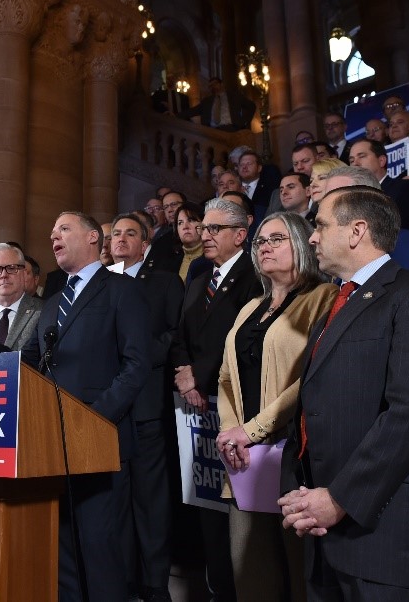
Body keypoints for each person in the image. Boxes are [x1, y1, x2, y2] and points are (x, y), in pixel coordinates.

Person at [0, 211, 150, 602]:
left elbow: (136, 366)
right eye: (52, 231)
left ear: (93, 238)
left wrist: (92, 420)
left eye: (64, 228)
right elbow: (29, 364)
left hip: (100, 441)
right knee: (63, 552)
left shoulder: (122, 290)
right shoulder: (53, 304)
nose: (54, 236)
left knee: (100, 550)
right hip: (53, 443)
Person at [279, 186, 409, 600]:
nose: (312, 237)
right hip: (323, 530)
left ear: (357, 231)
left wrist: (340, 498)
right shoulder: (336, 303)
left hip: (389, 534)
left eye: (321, 225)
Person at [216, 212, 336, 600]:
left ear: (302, 243)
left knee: (300, 572)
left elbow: (311, 378)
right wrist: (231, 432)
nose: (264, 247)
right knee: (251, 571)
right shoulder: (251, 306)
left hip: (294, 454)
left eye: (276, 239)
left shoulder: (324, 297)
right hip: (246, 458)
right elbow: (225, 377)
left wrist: (251, 430)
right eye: (260, 241)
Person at [169, 198, 262, 601]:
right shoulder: (198, 277)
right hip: (194, 409)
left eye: (214, 229)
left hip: (234, 407)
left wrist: (200, 376)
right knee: (207, 502)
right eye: (204, 228)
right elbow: (179, 335)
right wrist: (185, 376)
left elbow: (243, 340)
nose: (204, 235)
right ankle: (216, 587)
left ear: (240, 235)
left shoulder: (255, 276)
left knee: (235, 506)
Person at [110, 212, 184, 602]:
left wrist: (135, 359)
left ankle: (155, 582)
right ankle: (122, 580)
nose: (121, 239)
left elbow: (174, 333)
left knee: (151, 500)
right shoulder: (101, 284)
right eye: (115, 234)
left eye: (130, 234)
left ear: (145, 244)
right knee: (116, 501)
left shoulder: (165, 282)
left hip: (147, 405)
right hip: (107, 409)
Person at [348, 137, 409, 229]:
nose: (355, 163)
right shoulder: (351, 203)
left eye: (362, 156)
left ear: (381, 161)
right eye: (351, 161)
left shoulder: (406, 188)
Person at [178, 77, 256, 131]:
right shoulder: (206, 102)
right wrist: (175, 116)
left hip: (231, 129)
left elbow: (251, 106)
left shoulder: (234, 96)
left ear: (221, 84)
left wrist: (244, 122)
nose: (213, 87)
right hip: (212, 131)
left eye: (215, 84)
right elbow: (192, 111)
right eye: (210, 86)